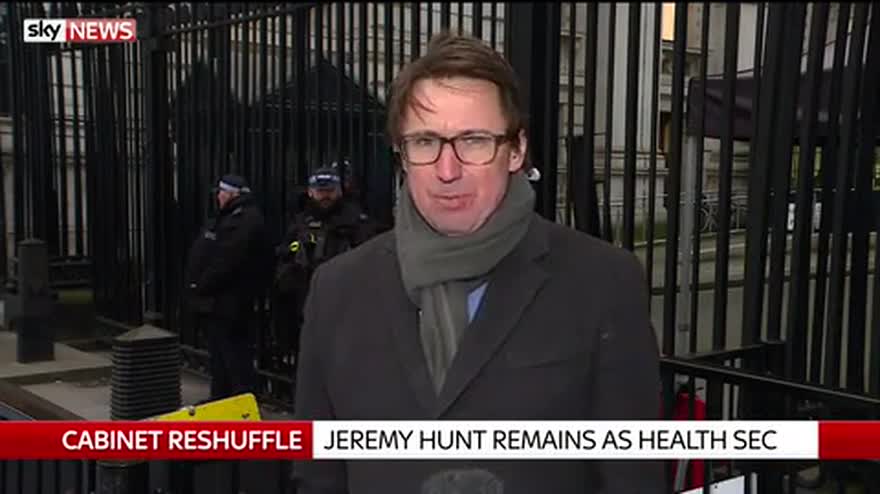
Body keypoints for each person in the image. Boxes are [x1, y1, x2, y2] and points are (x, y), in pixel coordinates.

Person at [292, 31, 663, 493]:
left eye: (474, 140)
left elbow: (632, 476)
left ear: (516, 149)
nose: (447, 171)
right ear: (401, 154)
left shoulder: (603, 282)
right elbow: (318, 473)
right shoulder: (337, 289)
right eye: (425, 141)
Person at [271, 166, 380, 368]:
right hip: (305, 303)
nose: (325, 196)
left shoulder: (356, 221)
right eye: (320, 191)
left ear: (339, 191)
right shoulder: (301, 222)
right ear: (310, 192)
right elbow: (285, 256)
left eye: (330, 190)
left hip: (344, 306)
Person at [183, 174, 272, 401]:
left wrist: (202, 284)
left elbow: (228, 260)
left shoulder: (244, 220)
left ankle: (239, 402)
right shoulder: (227, 217)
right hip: (218, 300)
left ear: (231, 194)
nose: (218, 197)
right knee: (220, 355)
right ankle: (221, 399)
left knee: (234, 356)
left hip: (230, 300)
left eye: (221, 193)